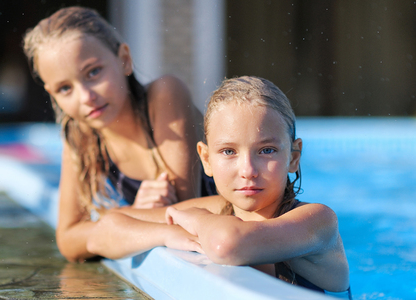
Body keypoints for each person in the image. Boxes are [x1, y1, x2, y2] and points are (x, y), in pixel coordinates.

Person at [22, 6, 214, 262]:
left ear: (124, 59)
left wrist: (117, 224)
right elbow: (67, 240)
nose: (86, 97)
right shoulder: (80, 135)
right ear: (52, 94)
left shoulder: (165, 95)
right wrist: (133, 212)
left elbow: (185, 214)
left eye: (93, 72)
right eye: (65, 88)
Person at [165, 76, 352, 298]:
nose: (248, 171)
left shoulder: (318, 221)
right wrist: (165, 233)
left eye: (266, 150)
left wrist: (196, 219)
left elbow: (227, 244)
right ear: (206, 159)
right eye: (228, 151)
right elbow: (114, 224)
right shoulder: (218, 209)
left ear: (293, 156)